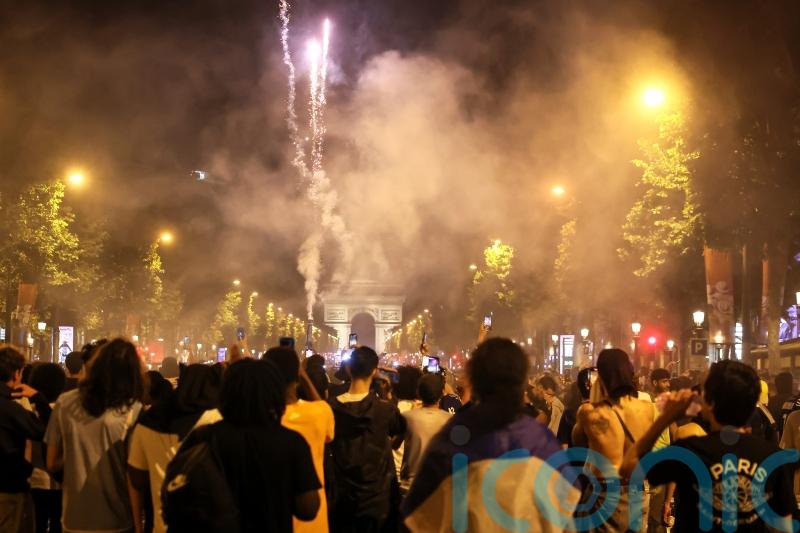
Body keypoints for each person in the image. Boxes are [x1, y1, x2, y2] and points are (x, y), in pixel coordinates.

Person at [402, 338, 580, 531]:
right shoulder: (541, 440)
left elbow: (417, 517)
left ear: (475, 382)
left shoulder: (454, 439)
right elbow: (567, 513)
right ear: (522, 383)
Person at [621, 360, 795, 532]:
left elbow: (629, 467)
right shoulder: (773, 457)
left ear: (710, 403)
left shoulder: (690, 451)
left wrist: (666, 417)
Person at [175, 358, 320, 532]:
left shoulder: (203, 436)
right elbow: (308, 509)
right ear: (275, 394)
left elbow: (179, 492)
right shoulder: (292, 442)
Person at [45, 338, 144, 533]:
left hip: (74, 518)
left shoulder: (65, 403)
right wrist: (139, 525)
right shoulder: (132, 409)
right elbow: (133, 476)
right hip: (117, 520)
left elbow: (51, 463)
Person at [127, 364, 222, 533]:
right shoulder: (218, 421)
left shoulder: (148, 423)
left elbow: (136, 480)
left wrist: (138, 526)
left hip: (163, 524)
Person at [572, 348, 657, 532]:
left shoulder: (589, 413)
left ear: (601, 377)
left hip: (604, 495)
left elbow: (578, 442)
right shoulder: (647, 408)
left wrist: (596, 394)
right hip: (638, 492)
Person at [328, 346, 406, 533]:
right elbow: (401, 430)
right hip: (379, 502)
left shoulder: (331, 408)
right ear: (374, 371)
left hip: (342, 500)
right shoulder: (385, 410)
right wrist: (388, 396)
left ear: (348, 369)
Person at [263, 347, 334, 533]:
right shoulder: (320, 413)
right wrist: (304, 375)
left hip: (269, 519)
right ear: (296, 376)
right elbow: (322, 407)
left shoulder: (259, 419)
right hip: (313, 520)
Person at [0, 346, 52, 533]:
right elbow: (46, 431)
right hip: (9, 489)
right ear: (16, 374)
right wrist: (38, 398)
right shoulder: (12, 409)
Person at [27, 363, 66, 533]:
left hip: (34, 481)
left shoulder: (27, 411)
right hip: (61, 483)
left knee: (38, 525)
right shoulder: (65, 411)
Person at [400, 374, 451, 493]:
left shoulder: (407, 417)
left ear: (418, 392)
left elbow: (395, 444)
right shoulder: (450, 420)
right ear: (442, 392)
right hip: (438, 487)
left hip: (409, 487)